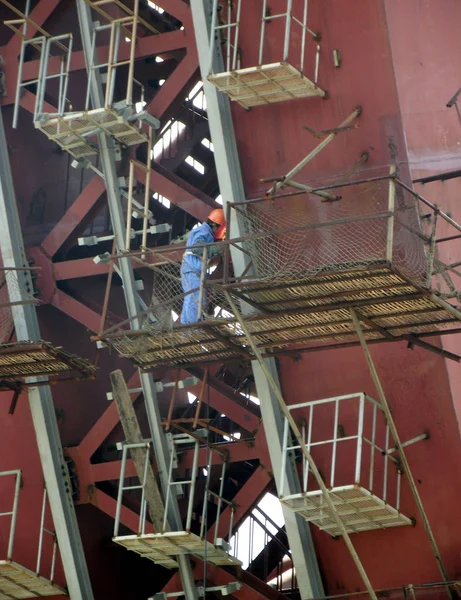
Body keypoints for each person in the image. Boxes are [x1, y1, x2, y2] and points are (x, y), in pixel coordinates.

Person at [180, 208, 226, 324]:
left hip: (194, 270)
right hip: (192, 269)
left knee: (194, 299)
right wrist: (218, 248)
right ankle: (193, 329)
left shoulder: (206, 233)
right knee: (195, 299)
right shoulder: (202, 232)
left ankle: (187, 329)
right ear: (217, 226)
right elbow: (197, 248)